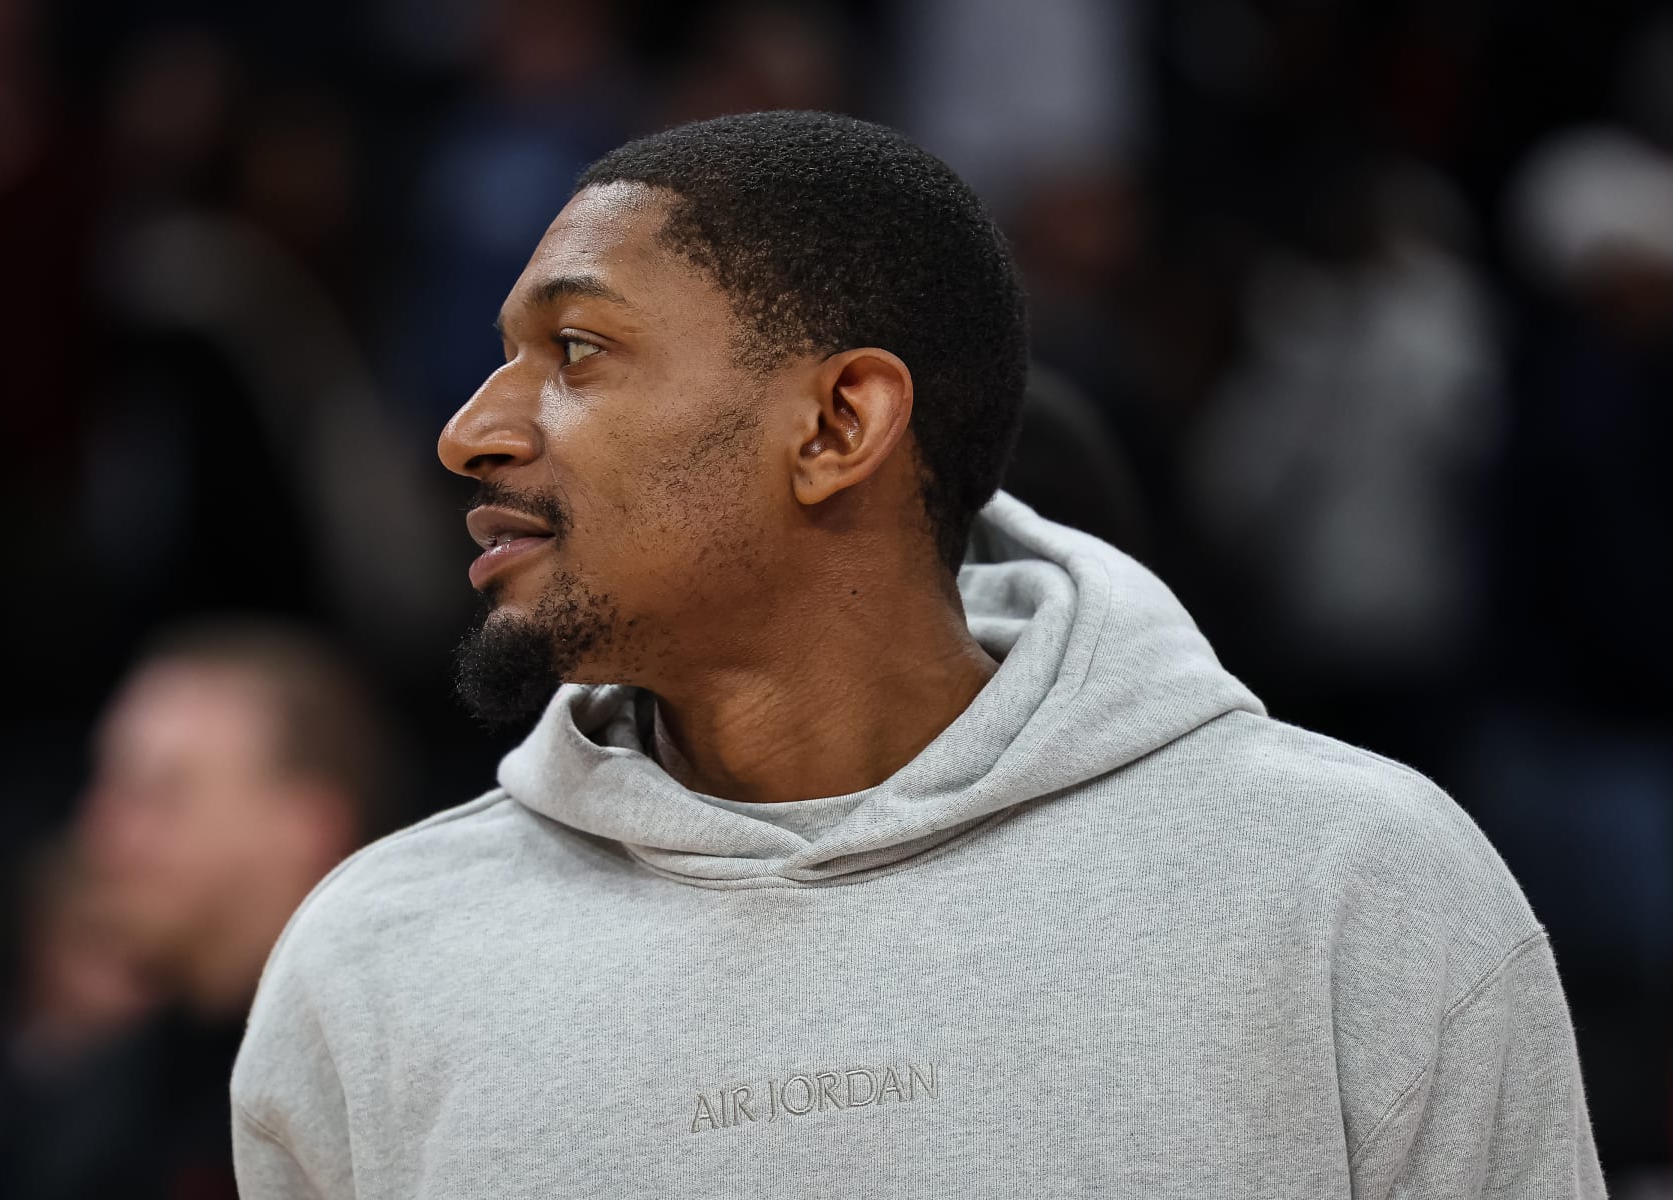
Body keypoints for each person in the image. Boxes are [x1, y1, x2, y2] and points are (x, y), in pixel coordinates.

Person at [230, 111, 1603, 1197]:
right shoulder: (370, 968)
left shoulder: (1354, 886)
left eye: (577, 350)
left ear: (839, 424)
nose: (470, 431)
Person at [51, 617, 400, 1199]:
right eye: (107, 785)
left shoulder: (408, 1095)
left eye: (160, 793)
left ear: (305, 826)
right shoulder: (90, 1114)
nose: (102, 834)